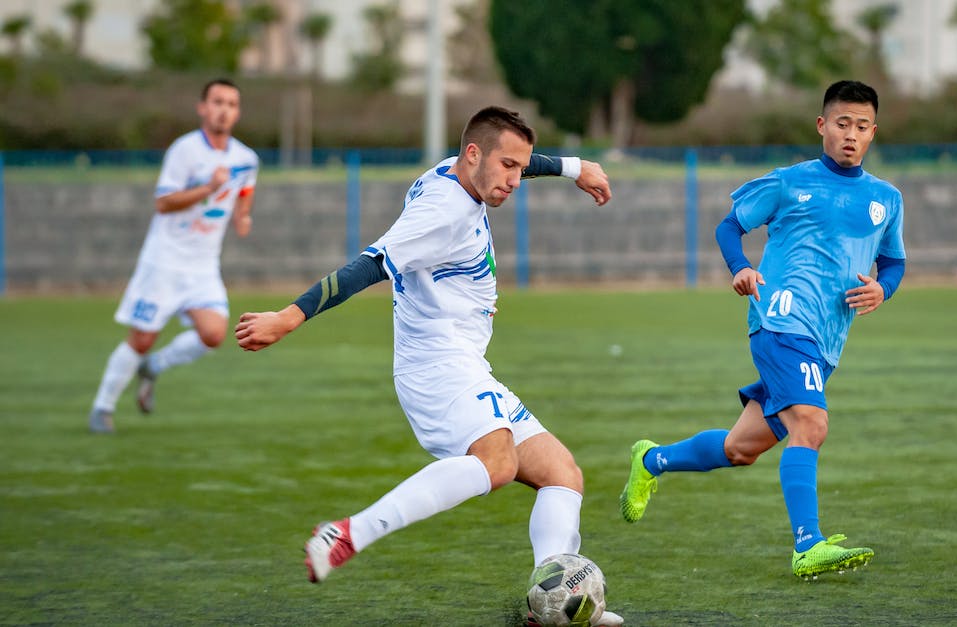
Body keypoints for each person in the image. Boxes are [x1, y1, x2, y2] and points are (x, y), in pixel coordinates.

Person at [233, 107, 622, 625]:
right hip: (436, 364)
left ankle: (549, 604)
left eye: (519, 169)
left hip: (464, 360)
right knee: (498, 463)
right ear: (473, 155)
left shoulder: (463, 169)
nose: (515, 180)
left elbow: (514, 159)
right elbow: (367, 266)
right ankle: (349, 533)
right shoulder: (442, 211)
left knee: (562, 474)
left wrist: (574, 168)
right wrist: (289, 316)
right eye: (507, 167)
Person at [618, 81, 905, 580]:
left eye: (861, 127)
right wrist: (740, 267)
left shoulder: (886, 198)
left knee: (741, 449)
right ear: (822, 126)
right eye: (842, 124)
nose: (851, 135)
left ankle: (652, 461)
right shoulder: (789, 182)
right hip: (780, 319)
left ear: (873, 133)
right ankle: (807, 544)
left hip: (825, 340)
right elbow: (729, 225)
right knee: (811, 425)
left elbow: (894, 262)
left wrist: (884, 290)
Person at [88, 78, 258, 433]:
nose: (224, 110)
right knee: (142, 338)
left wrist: (242, 216)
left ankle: (154, 367)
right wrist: (208, 187)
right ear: (202, 107)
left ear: (237, 112)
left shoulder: (246, 158)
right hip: (164, 261)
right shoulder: (184, 151)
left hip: (202, 266)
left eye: (231, 104)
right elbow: (163, 202)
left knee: (213, 334)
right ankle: (102, 408)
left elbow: (244, 188)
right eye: (217, 102)